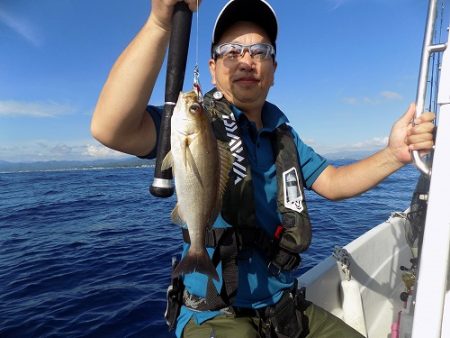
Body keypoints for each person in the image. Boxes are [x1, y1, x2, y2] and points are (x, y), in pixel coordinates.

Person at [91, 0, 436, 337]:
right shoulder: (197, 122)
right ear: (212, 67)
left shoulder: (283, 134)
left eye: (259, 52)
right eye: (232, 51)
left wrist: (394, 154)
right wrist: (160, 24)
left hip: (285, 306)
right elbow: (111, 128)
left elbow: (333, 181)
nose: (246, 61)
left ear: (273, 70)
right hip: (214, 313)